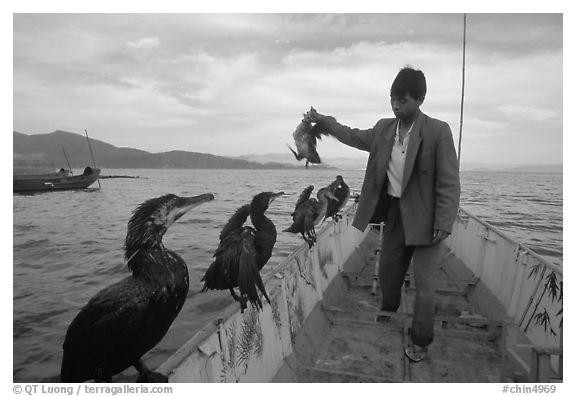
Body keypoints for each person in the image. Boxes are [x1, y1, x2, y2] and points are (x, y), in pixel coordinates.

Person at [306, 66, 460, 362]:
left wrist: (444, 221)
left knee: (426, 287)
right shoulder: (383, 129)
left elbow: (450, 181)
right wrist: (322, 119)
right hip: (396, 216)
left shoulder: (439, 131)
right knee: (389, 274)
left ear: (420, 99)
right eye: (393, 99)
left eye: (403, 100)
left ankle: (421, 340)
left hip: (428, 221)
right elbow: (349, 135)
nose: (396, 105)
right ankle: (390, 306)